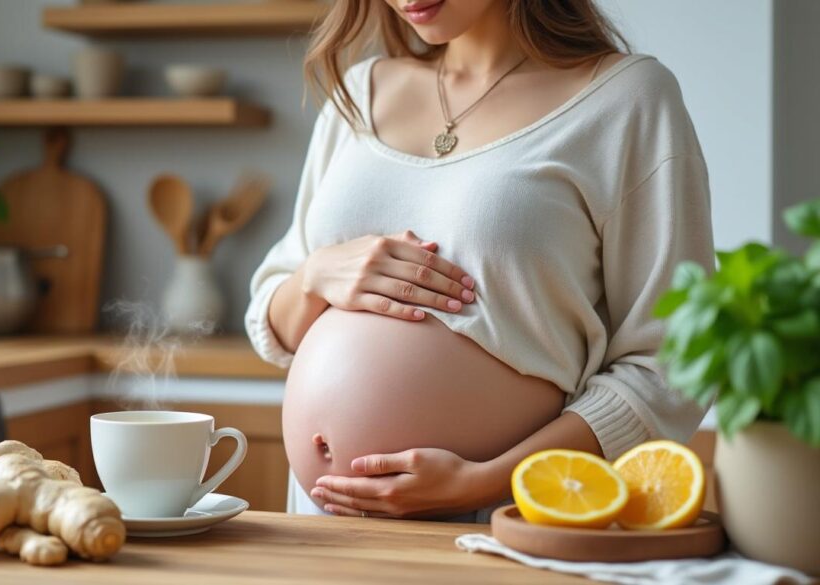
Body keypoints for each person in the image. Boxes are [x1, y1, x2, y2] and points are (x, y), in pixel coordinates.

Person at [245, 0, 714, 521]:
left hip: (499, 519)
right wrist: (314, 278)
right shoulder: (356, 92)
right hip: (317, 524)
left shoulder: (628, 99)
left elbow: (672, 364)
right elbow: (271, 313)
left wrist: (485, 482)